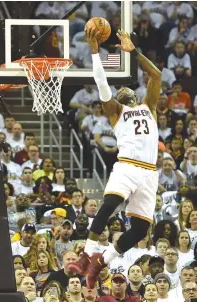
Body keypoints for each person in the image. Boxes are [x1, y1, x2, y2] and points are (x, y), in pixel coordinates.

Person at [69, 28, 161, 289]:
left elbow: (155, 74)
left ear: (134, 93)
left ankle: (101, 260)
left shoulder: (149, 106)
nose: (121, 90)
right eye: (118, 89)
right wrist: (95, 52)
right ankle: (87, 253)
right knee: (109, 205)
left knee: (141, 230)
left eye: (125, 88)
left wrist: (135, 52)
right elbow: (101, 83)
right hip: (127, 166)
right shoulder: (116, 111)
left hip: (149, 173)